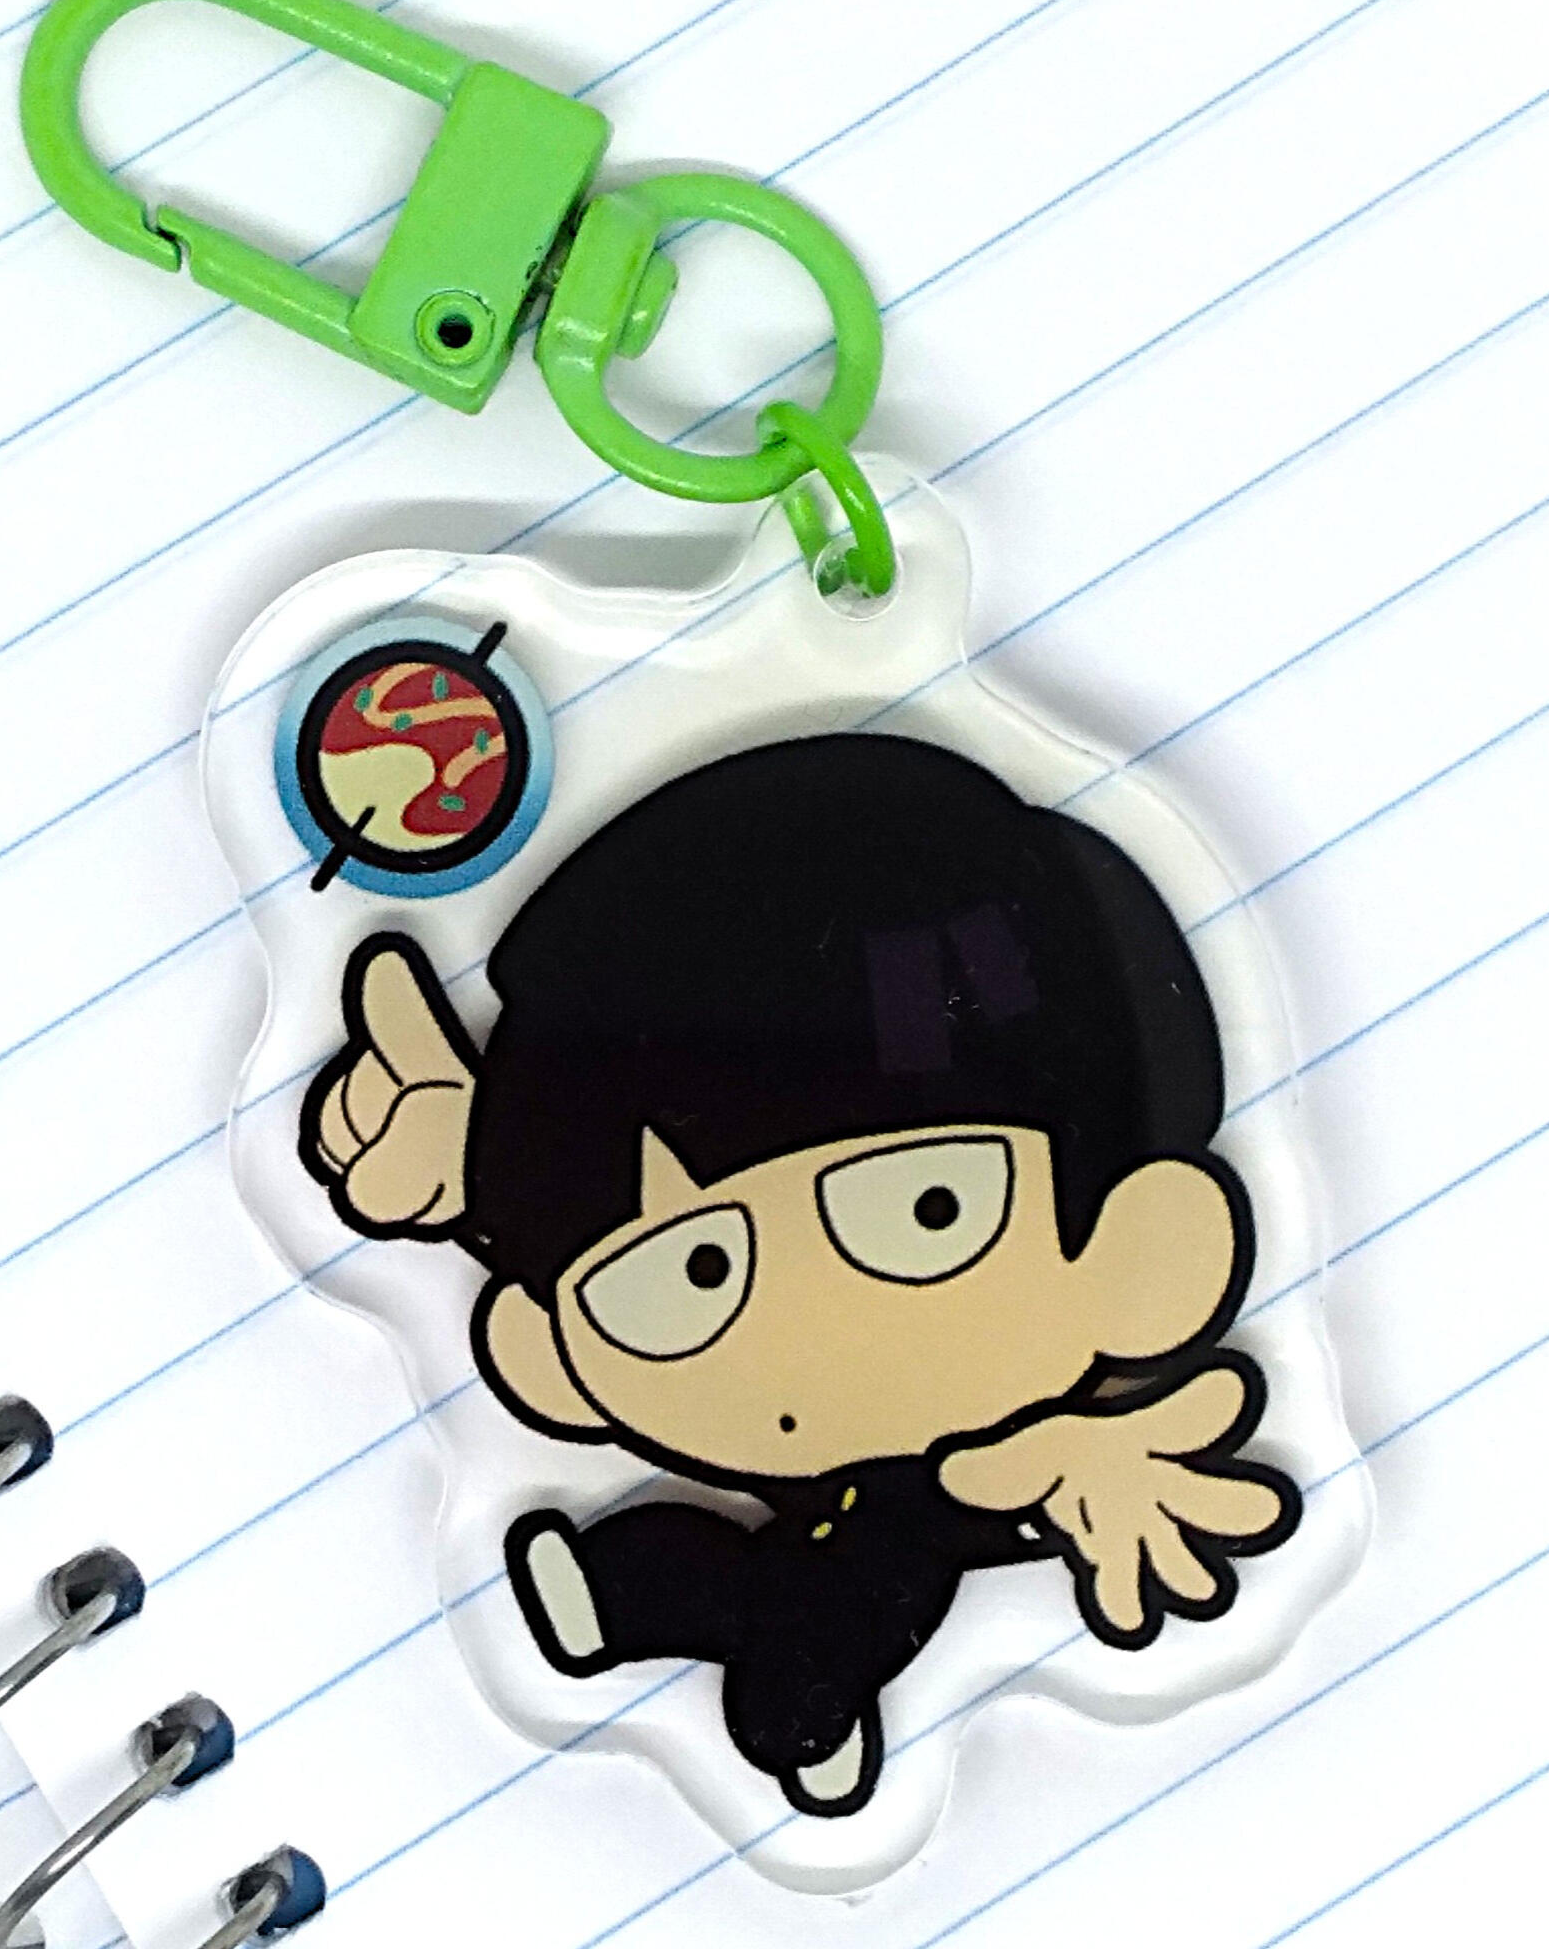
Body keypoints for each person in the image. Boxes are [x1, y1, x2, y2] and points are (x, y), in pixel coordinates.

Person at [302, 734, 1299, 1816]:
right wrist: (486, 1181)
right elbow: (565, 1227)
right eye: (691, 1275)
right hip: (842, 1548)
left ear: (1138, 1229)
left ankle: (745, 1672)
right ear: (550, 1352)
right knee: (779, 1583)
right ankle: (657, 1621)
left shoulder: (1028, 1461)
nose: (804, 1316)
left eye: (929, 1211)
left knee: (825, 1593)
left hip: (894, 1550)